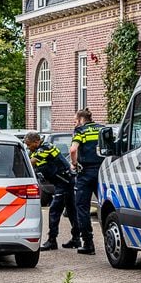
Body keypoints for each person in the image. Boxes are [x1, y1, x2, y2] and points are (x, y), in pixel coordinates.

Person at [24, 132, 78, 251]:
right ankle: (76, 239)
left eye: (29, 144)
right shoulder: (37, 149)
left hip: (64, 182)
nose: (28, 147)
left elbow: (30, 163)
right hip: (63, 182)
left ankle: (52, 240)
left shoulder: (45, 148)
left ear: (36, 142)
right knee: (71, 210)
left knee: (54, 210)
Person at [68, 109, 101, 255]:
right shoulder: (102, 129)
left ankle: (88, 243)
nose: (75, 123)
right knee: (106, 205)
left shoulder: (80, 131)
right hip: (102, 172)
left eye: (75, 120)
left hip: (86, 173)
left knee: (82, 207)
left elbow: (73, 150)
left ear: (81, 119)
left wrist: (74, 164)